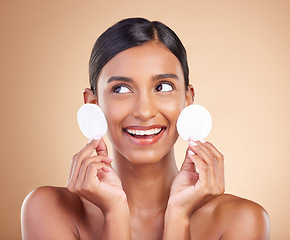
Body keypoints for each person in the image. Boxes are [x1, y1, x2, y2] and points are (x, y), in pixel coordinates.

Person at [21, 17, 270, 240]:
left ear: (188, 98)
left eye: (163, 86)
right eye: (121, 89)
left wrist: (179, 215)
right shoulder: (48, 209)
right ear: (92, 103)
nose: (144, 111)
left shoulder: (243, 221)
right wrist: (115, 212)